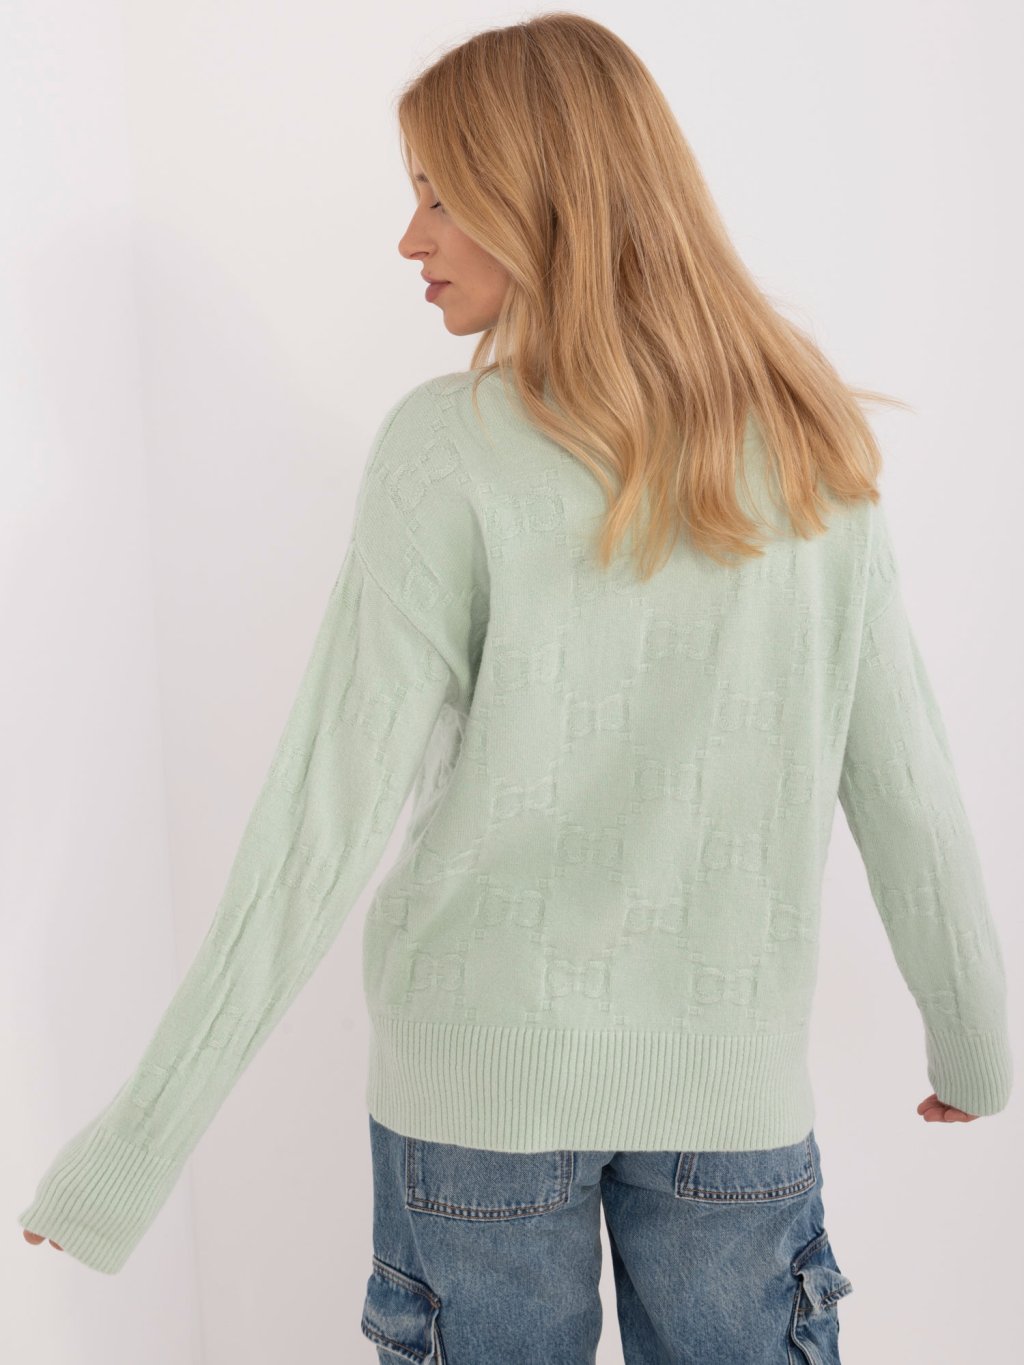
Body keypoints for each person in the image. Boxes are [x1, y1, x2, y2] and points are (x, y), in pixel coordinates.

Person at [19, 13, 1010, 1363]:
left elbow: (319, 826)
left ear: (540, 198)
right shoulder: (809, 451)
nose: (408, 238)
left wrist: (135, 1146)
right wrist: (975, 1038)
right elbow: (909, 787)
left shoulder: (449, 450)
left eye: (440, 195)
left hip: (473, 1094)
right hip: (728, 1096)